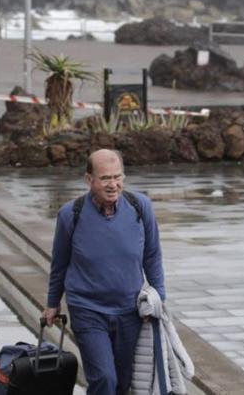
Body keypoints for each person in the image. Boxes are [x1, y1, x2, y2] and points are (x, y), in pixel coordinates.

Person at [45, 149, 166, 395]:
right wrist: (52, 303)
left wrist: (158, 299)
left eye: (117, 177)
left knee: (122, 384)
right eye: (105, 178)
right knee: (104, 379)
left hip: (129, 311)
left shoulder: (140, 207)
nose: (113, 185)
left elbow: (152, 256)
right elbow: (60, 263)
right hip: (88, 310)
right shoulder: (71, 214)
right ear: (89, 180)